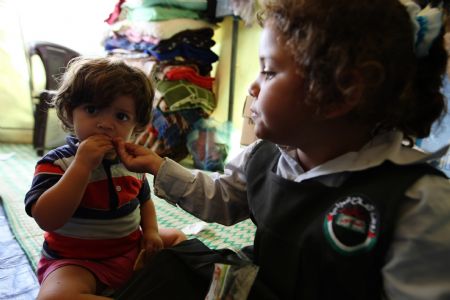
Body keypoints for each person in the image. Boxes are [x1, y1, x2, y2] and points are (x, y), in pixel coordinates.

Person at [114, 0, 450, 298]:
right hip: (259, 283)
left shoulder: (416, 201)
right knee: (173, 268)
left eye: (269, 70)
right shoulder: (267, 155)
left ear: (340, 92)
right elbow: (222, 198)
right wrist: (160, 167)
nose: (252, 86)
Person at [24, 57, 186, 300]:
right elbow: (46, 218)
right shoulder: (56, 164)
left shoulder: (132, 162)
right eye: (92, 110)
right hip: (77, 262)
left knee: (177, 239)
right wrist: (81, 167)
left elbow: (144, 201)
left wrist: (151, 232)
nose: (105, 124)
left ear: (136, 125)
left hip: (130, 250)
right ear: (70, 112)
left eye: (121, 116)